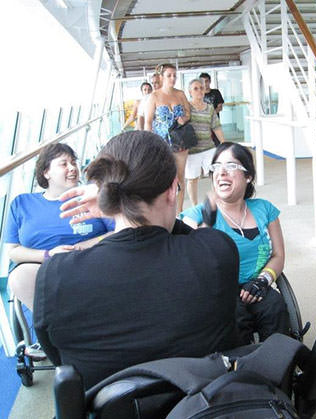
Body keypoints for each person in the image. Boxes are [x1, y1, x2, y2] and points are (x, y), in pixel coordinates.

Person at [34, 131, 240, 389]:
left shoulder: (57, 276)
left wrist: (115, 209)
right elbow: (193, 237)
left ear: (106, 195)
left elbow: (59, 358)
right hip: (204, 404)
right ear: (172, 190)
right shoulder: (217, 252)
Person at [180, 142, 289, 344]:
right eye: (216, 167)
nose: (221, 173)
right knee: (233, 318)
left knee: (275, 307)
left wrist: (263, 281)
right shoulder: (195, 216)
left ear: (248, 176)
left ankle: (281, 365)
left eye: (231, 166)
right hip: (218, 293)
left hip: (255, 287)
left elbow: (278, 255)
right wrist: (207, 222)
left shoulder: (265, 210)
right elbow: (188, 260)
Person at [4, 143, 113, 311]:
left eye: (74, 162)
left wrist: (85, 246)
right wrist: (48, 255)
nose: (72, 168)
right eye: (64, 164)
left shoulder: (91, 198)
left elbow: (119, 230)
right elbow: (13, 251)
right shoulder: (22, 203)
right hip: (44, 272)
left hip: (91, 264)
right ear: (46, 172)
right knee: (20, 277)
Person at [144, 63, 191, 213]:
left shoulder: (180, 94)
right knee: (164, 179)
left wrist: (184, 118)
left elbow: (188, 114)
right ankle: (165, 213)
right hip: (161, 143)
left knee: (180, 178)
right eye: (169, 75)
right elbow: (148, 121)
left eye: (174, 75)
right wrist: (149, 143)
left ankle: (180, 212)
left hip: (180, 141)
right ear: (161, 77)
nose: (173, 78)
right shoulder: (154, 96)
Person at [185, 78, 226, 206]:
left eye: (201, 88)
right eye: (196, 88)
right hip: (192, 151)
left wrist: (224, 143)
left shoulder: (209, 108)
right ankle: (195, 205)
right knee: (192, 179)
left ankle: (217, 202)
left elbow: (216, 127)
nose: (200, 91)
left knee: (216, 175)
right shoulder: (187, 107)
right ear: (190, 92)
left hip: (209, 147)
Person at [200, 72, 225, 146]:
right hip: (203, 123)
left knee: (217, 142)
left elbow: (220, 107)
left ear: (210, 81)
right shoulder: (199, 94)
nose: (205, 83)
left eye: (206, 81)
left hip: (215, 122)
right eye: (202, 81)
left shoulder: (216, 92)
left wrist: (210, 114)